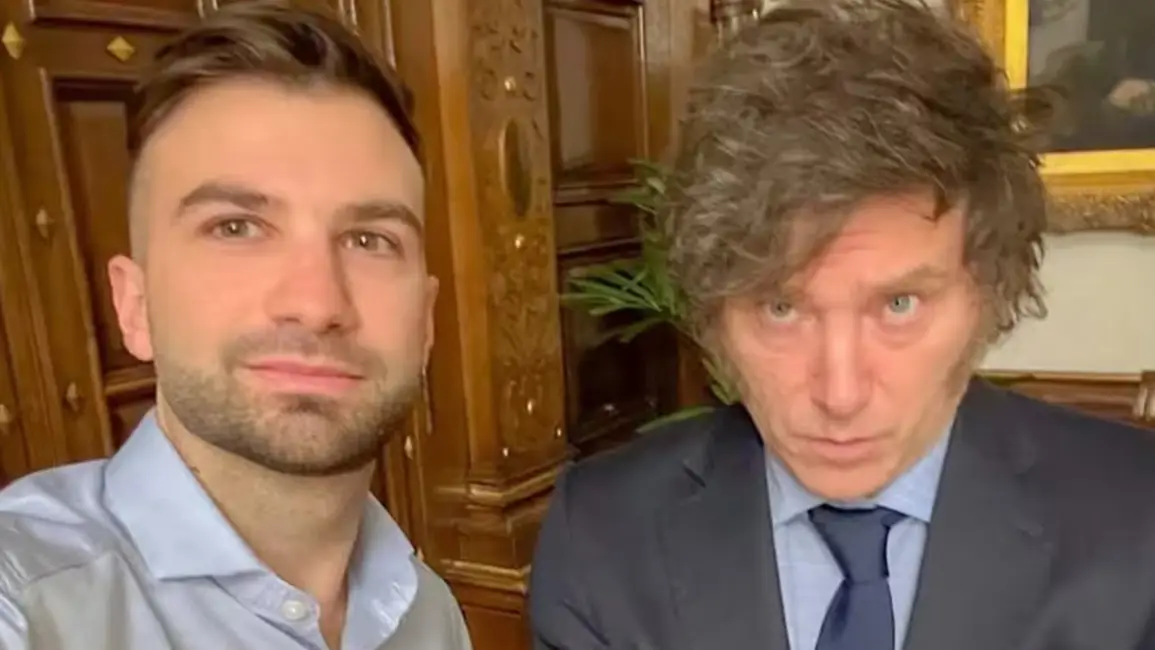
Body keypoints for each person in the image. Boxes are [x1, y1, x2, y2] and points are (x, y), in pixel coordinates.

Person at [528, 1, 1155, 649]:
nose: (840, 394)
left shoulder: (1139, 520)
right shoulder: (601, 542)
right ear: (713, 313)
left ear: (987, 295)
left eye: (899, 305)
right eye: (781, 308)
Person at [0, 2, 471, 649]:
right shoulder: (25, 605)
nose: (315, 303)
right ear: (134, 305)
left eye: (369, 239)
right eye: (236, 227)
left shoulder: (426, 612)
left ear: (425, 323)